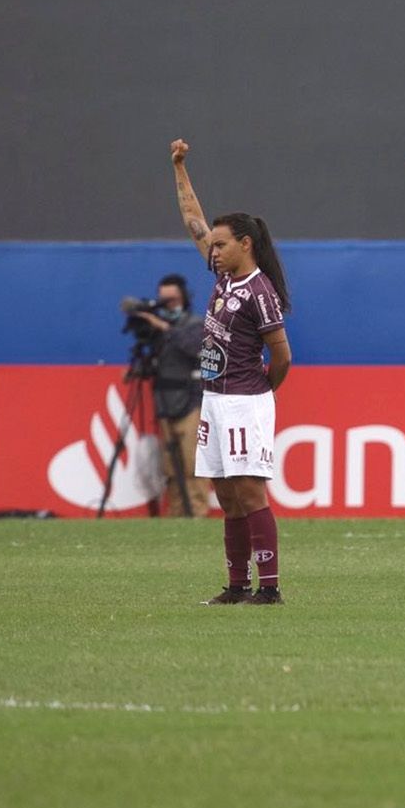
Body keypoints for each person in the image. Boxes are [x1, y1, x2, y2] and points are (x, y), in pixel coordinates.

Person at [170, 139, 293, 605]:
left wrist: (260, 391)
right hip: (216, 399)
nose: (213, 250)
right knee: (225, 494)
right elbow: (193, 219)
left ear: (245, 244)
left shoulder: (260, 291)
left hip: (243, 400)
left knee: (249, 492)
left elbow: (282, 356)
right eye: (213, 245)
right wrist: (179, 167)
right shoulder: (224, 277)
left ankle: (270, 587)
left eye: (222, 245)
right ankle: (237, 585)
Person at [129, 274, 210, 516]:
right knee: (170, 466)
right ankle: (176, 514)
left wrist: (165, 328)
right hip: (164, 402)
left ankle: (197, 511)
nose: (168, 305)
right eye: (164, 300)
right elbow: (156, 361)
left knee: (192, 461)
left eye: (172, 299)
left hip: (191, 401)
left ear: (183, 297)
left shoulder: (196, 324)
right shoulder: (156, 330)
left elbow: (197, 349)